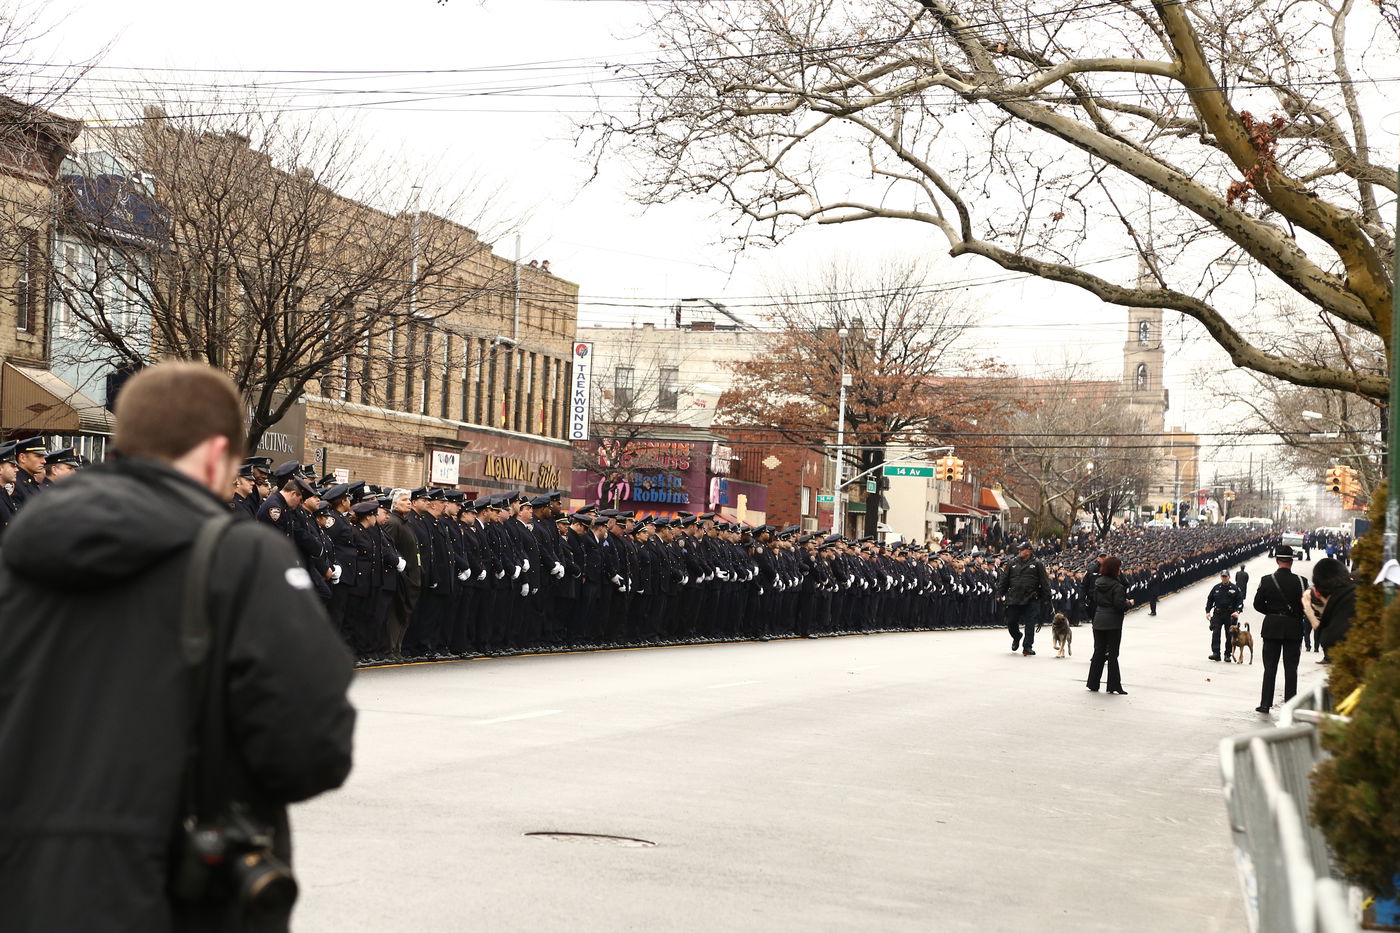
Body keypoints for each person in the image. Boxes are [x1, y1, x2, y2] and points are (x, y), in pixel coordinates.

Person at [0, 361, 356, 932]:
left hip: (27, 882)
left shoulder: (25, 551)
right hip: (175, 890)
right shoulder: (239, 558)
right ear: (217, 455)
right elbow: (311, 750)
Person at [1252, 543, 1308, 713]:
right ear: (1292, 562)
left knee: (1270, 667)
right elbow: (1307, 607)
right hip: (1293, 627)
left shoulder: (1267, 580)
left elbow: (1257, 604)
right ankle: (1290, 704)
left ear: (1277, 561)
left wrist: (1272, 613)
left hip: (1272, 627)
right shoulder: (1302, 582)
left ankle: (1265, 703)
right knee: (1291, 668)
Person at [997, 540, 1052, 656]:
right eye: (1019, 549)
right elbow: (1004, 579)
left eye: (1022, 549)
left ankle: (1027, 646)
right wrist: (999, 593)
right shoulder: (1012, 562)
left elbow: (1044, 582)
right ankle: (1017, 636)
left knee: (1030, 623)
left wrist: (1047, 597)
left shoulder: (1037, 563)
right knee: (1011, 621)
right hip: (1014, 597)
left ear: (1029, 551)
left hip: (1031, 597)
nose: (1019, 551)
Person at [1086, 555, 1132, 694]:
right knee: (1113, 655)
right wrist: (1129, 603)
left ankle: (1093, 683)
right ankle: (1113, 685)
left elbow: (1094, 598)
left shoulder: (1098, 582)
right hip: (1113, 622)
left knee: (1099, 652)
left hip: (1099, 619)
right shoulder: (1116, 586)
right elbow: (1119, 605)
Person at [1308, 557, 1355, 664]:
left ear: (1318, 592)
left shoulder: (1346, 604)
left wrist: (1311, 615)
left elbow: (1330, 644)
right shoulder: (1354, 591)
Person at [1204, 569, 1243, 661]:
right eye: (1223, 576)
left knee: (1229, 635)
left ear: (1229, 577)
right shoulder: (1216, 588)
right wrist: (1208, 611)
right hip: (1218, 613)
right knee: (1216, 633)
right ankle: (1216, 653)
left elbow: (1240, 600)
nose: (1224, 578)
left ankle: (1228, 654)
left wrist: (1237, 611)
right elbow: (1210, 600)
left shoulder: (1235, 588)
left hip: (1230, 615)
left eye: (1226, 576)